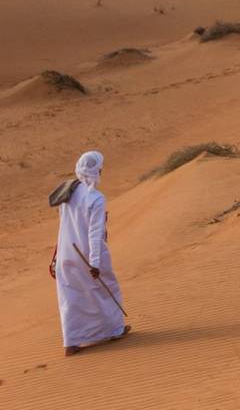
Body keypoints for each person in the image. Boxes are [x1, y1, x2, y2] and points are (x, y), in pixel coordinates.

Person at [50, 151, 130, 356]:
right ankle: (114, 329)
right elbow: (95, 233)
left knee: (70, 296)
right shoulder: (95, 198)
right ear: (97, 171)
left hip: (67, 253)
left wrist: (56, 255)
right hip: (88, 255)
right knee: (105, 288)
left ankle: (71, 342)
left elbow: (63, 227)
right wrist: (94, 263)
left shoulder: (68, 191)